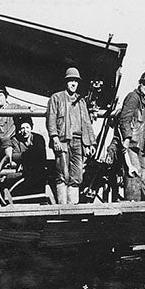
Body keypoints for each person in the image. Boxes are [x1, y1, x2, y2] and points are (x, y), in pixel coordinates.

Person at [45, 67, 96, 204]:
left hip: (78, 142)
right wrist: (55, 138)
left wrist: (91, 143)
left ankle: (73, 207)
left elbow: (87, 123)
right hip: (62, 141)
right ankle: (62, 207)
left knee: (77, 175)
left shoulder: (81, 101)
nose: (73, 83)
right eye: (71, 80)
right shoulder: (56, 98)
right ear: (66, 82)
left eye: (75, 81)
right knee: (62, 174)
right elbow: (51, 119)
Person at [119, 71, 145, 201]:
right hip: (132, 145)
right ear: (140, 83)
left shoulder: (144, 103)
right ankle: (133, 206)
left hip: (141, 149)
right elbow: (124, 119)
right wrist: (126, 138)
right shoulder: (133, 97)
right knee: (134, 177)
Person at [8, 116, 48, 189]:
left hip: (37, 170)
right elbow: (14, 156)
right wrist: (29, 155)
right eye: (22, 128)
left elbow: (40, 155)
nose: (25, 131)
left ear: (31, 128)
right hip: (23, 171)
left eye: (27, 127)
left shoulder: (38, 138)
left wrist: (23, 156)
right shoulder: (15, 139)